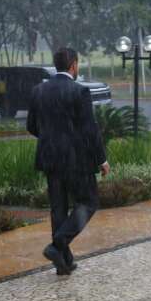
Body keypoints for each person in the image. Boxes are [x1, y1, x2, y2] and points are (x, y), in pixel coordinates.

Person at [27, 47, 109, 275]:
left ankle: (63, 261)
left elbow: (31, 126)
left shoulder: (39, 91)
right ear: (73, 64)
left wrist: (51, 140)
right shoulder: (79, 92)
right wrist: (101, 159)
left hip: (50, 158)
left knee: (59, 208)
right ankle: (57, 245)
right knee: (88, 203)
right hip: (76, 159)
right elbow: (90, 130)